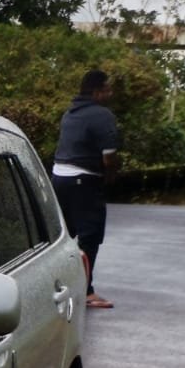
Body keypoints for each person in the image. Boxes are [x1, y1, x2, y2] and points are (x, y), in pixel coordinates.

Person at [52, 69, 120, 309]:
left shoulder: (70, 113)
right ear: (97, 91)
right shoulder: (101, 115)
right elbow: (109, 156)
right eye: (108, 89)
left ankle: (57, 287)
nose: (110, 93)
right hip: (84, 180)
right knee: (90, 236)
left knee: (66, 236)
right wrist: (110, 176)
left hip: (59, 177)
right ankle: (86, 291)